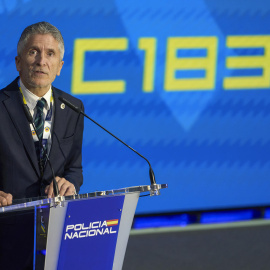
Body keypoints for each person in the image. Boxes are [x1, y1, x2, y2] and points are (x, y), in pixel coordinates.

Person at [0, 22, 84, 269]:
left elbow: (74, 169)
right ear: (18, 62)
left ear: (59, 67)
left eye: (50, 54)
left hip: (55, 233)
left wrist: (71, 184)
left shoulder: (73, 108)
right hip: (6, 235)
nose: (41, 61)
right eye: (33, 52)